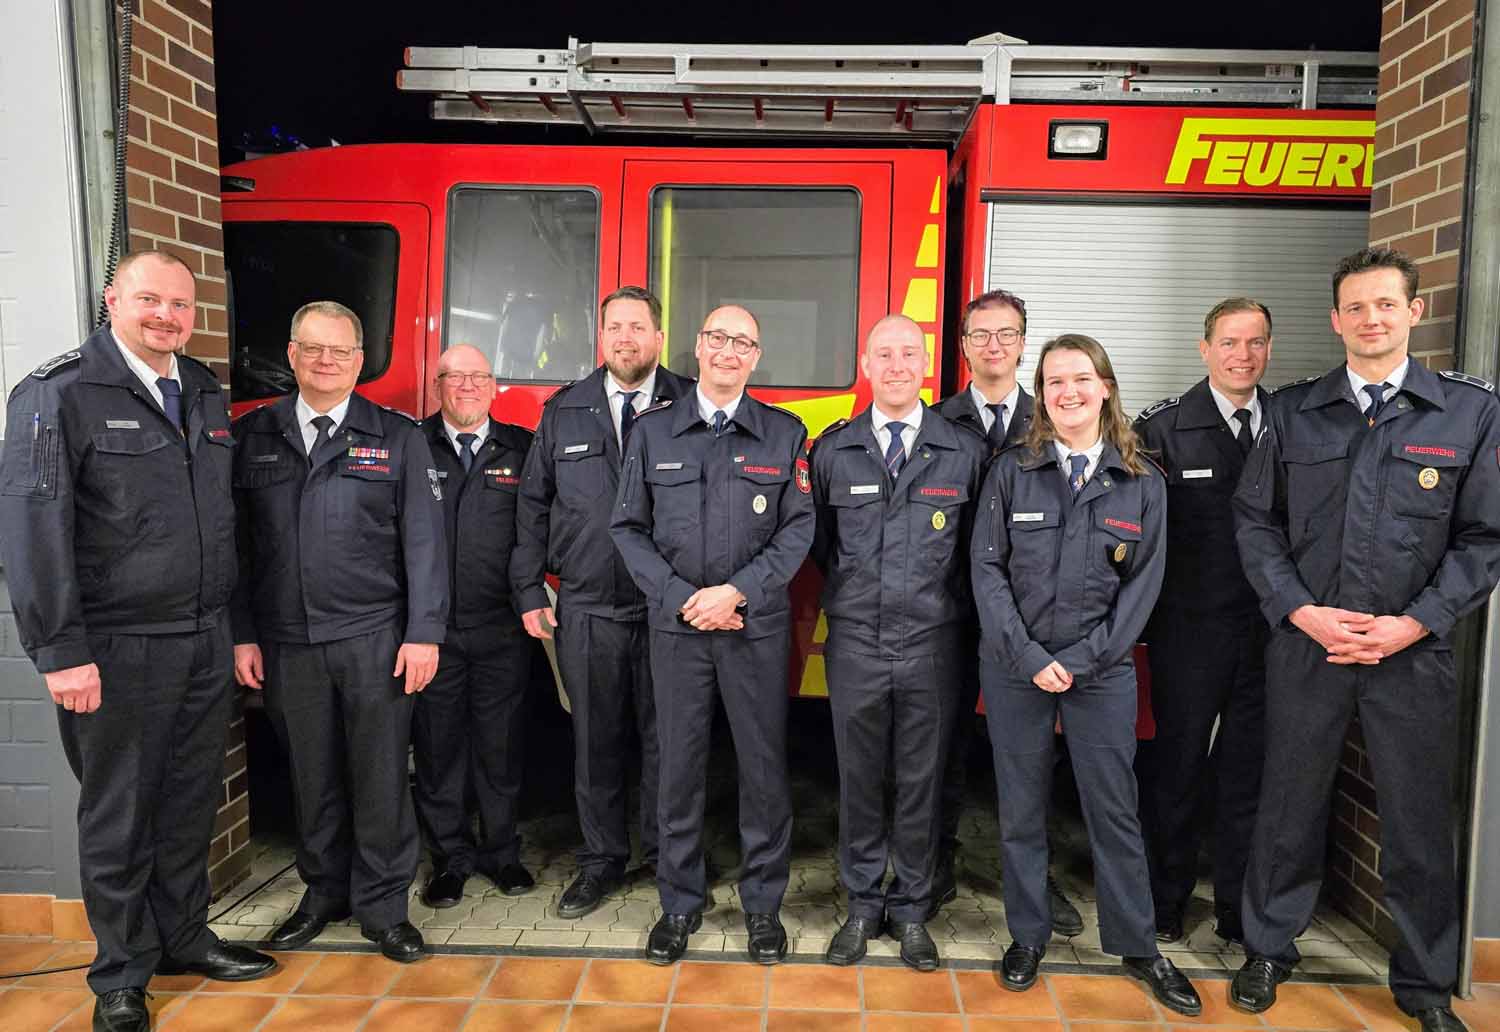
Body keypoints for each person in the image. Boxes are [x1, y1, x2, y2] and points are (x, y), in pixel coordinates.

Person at [0, 251, 274, 1032]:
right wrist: (60, 651)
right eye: (150, 299)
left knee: (188, 803)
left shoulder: (203, 392)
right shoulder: (59, 394)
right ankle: (121, 972)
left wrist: (235, 630)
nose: (167, 316)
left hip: (201, 639)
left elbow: (224, 528)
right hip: (113, 650)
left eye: (180, 305)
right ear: (112, 301)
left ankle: (184, 936)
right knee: (119, 813)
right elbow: (31, 532)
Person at [1230, 248, 1500, 1032]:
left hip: (1411, 653)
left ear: (1415, 311)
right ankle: (1269, 949)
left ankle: (1422, 983)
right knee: (1289, 804)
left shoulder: (1469, 413)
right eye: (1356, 307)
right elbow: (1255, 525)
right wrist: (1302, 613)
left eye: (1386, 304)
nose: (1371, 318)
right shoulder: (1293, 412)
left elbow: (1484, 539)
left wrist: (1412, 623)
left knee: (1418, 821)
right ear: (1335, 320)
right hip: (1308, 643)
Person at [972, 334, 1201, 1016]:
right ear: (1041, 395)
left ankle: (1138, 946)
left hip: (1101, 670)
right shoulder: (1014, 470)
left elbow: (1144, 589)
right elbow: (985, 568)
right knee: (1020, 809)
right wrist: (1028, 656)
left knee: (1115, 809)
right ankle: (1027, 936)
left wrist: (1079, 660)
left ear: (1105, 386)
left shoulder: (1142, 481)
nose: (1067, 392)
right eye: (1053, 382)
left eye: (1079, 379)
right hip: (1017, 667)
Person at [231, 301, 447, 964]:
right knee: (311, 776)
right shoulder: (254, 435)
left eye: (340, 351)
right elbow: (235, 546)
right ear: (292, 355)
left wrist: (424, 633)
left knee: (381, 775)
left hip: (374, 637)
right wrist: (241, 633)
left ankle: (384, 907)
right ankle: (323, 893)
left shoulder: (397, 436)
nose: (326, 361)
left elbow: (425, 543)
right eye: (313, 348)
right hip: (287, 641)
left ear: (360, 361)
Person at [611, 304, 815, 966]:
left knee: (762, 770)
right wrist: (684, 601)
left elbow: (797, 530)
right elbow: (627, 530)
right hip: (677, 631)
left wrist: (738, 593)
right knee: (677, 768)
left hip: (754, 629)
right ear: (698, 346)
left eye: (744, 343)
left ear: (756, 357)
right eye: (719, 338)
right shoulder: (654, 432)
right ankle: (679, 903)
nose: (729, 351)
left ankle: (762, 906)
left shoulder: (784, 435)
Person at [512, 285, 695, 919]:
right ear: (601, 336)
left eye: (638, 327)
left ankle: (669, 858)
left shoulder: (691, 402)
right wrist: (528, 585)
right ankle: (601, 861)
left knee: (668, 739)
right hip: (586, 606)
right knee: (594, 741)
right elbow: (532, 505)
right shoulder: (565, 410)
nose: (626, 338)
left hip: (668, 608)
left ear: (658, 338)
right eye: (615, 327)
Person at [809, 315, 985, 971]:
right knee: (858, 779)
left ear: (928, 363)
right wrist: (857, 591)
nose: (897, 365)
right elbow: (824, 546)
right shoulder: (835, 450)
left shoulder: (961, 450)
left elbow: (975, 555)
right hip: (855, 639)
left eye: (909, 353)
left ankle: (911, 910)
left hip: (933, 644)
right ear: (865, 363)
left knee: (921, 779)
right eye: (884, 354)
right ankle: (861, 906)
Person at [933, 289, 1083, 937]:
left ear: (1024, 343)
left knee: (1030, 758)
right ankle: (933, 866)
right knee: (937, 748)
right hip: (946, 616)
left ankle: (1034, 877)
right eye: (980, 335)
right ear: (962, 345)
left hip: (1026, 622)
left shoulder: (1052, 420)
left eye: (1007, 334)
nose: (994, 346)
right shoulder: (935, 421)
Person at [1133, 298, 1274, 944]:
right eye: (1229, 342)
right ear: (1204, 348)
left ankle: (1236, 912)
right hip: (1188, 633)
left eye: (1255, 342)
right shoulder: (1163, 428)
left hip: (1269, 635)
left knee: (1249, 776)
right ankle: (1164, 902)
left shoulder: (1288, 422)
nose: (1242, 355)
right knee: (1177, 771)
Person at [412, 344, 537, 908]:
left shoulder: (523, 449)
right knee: (439, 750)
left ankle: (502, 853)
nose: (467, 386)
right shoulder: (412, 445)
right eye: (454, 377)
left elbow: (539, 533)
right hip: (431, 632)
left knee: (502, 746)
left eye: (478, 377)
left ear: (495, 387)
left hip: (501, 629)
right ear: (437, 385)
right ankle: (450, 860)